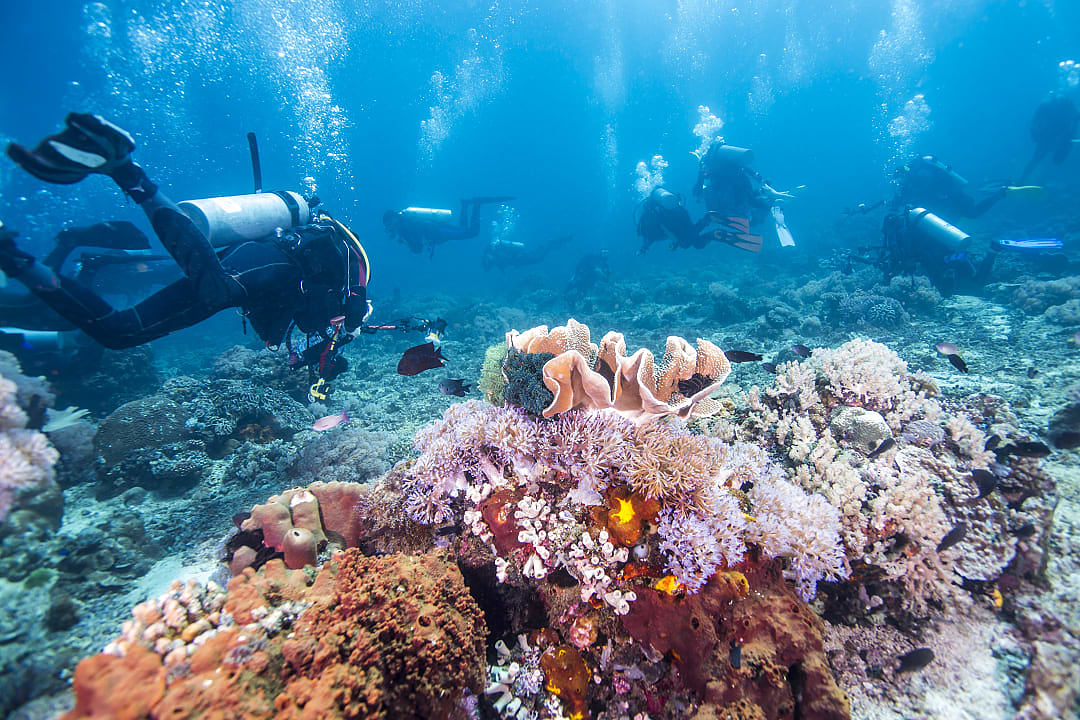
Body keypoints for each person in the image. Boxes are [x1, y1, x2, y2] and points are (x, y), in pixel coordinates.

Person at [0, 114, 370, 381]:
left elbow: (279, 333)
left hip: (253, 274)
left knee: (119, 333)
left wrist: (323, 351)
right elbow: (350, 274)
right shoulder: (350, 283)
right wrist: (353, 318)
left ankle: (11, 257)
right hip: (273, 262)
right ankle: (126, 171)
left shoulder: (326, 319)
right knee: (216, 291)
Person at [693, 139, 795, 252]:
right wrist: (768, 187)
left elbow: (696, 191)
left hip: (729, 199)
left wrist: (700, 191)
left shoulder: (706, 164)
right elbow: (753, 174)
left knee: (748, 217)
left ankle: (766, 206)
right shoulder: (732, 162)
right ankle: (771, 204)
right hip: (744, 188)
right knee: (752, 200)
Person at [383, 196, 512, 257]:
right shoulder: (404, 226)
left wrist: (406, 242)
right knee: (463, 230)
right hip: (438, 232)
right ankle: (465, 205)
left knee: (472, 233)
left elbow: (417, 248)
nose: (389, 228)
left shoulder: (405, 227)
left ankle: (477, 204)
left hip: (439, 232)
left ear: (393, 219)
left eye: (389, 224)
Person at [891, 155, 1009, 219]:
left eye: (900, 178)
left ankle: (999, 194)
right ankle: (998, 194)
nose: (901, 182)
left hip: (952, 197)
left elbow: (924, 192)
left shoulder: (919, 178)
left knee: (972, 214)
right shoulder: (913, 181)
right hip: (949, 200)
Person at [1018, 95, 1079, 183]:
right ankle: (1024, 179)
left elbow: (1036, 120)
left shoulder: (1051, 105)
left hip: (1049, 138)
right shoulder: (1069, 108)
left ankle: (1022, 179)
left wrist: (1035, 136)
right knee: (1046, 161)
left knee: (1036, 160)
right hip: (1055, 138)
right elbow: (1074, 127)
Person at [635, 187, 713, 252]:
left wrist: (644, 247)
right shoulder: (658, 210)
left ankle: (707, 221)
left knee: (685, 243)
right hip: (680, 212)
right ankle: (707, 223)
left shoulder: (649, 219)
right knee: (692, 238)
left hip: (673, 220)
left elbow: (664, 230)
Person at [482, 233, 572, 271]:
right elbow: (489, 268)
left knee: (539, 258)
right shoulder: (496, 255)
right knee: (539, 253)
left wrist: (486, 258)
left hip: (523, 258)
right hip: (523, 257)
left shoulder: (496, 256)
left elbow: (489, 268)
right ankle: (550, 244)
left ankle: (552, 243)